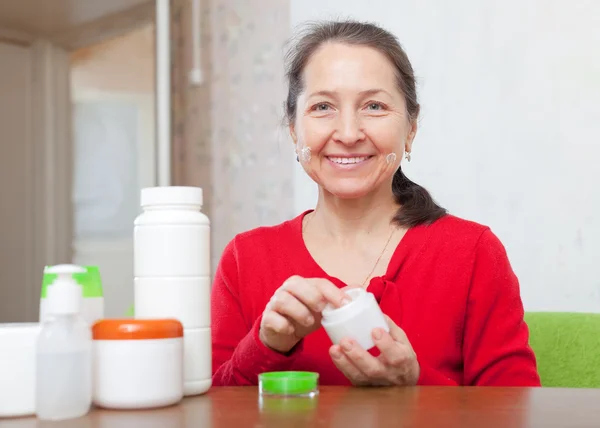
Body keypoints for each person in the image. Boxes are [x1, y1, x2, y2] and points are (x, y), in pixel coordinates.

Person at [211, 19, 541, 387]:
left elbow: (517, 411)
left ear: (411, 128)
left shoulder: (474, 253)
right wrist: (265, 345)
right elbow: (210, 413)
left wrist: (414, 384)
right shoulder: (245, 259)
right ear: (293, 129)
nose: (349, 134)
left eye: (374, 106)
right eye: (322, 107)